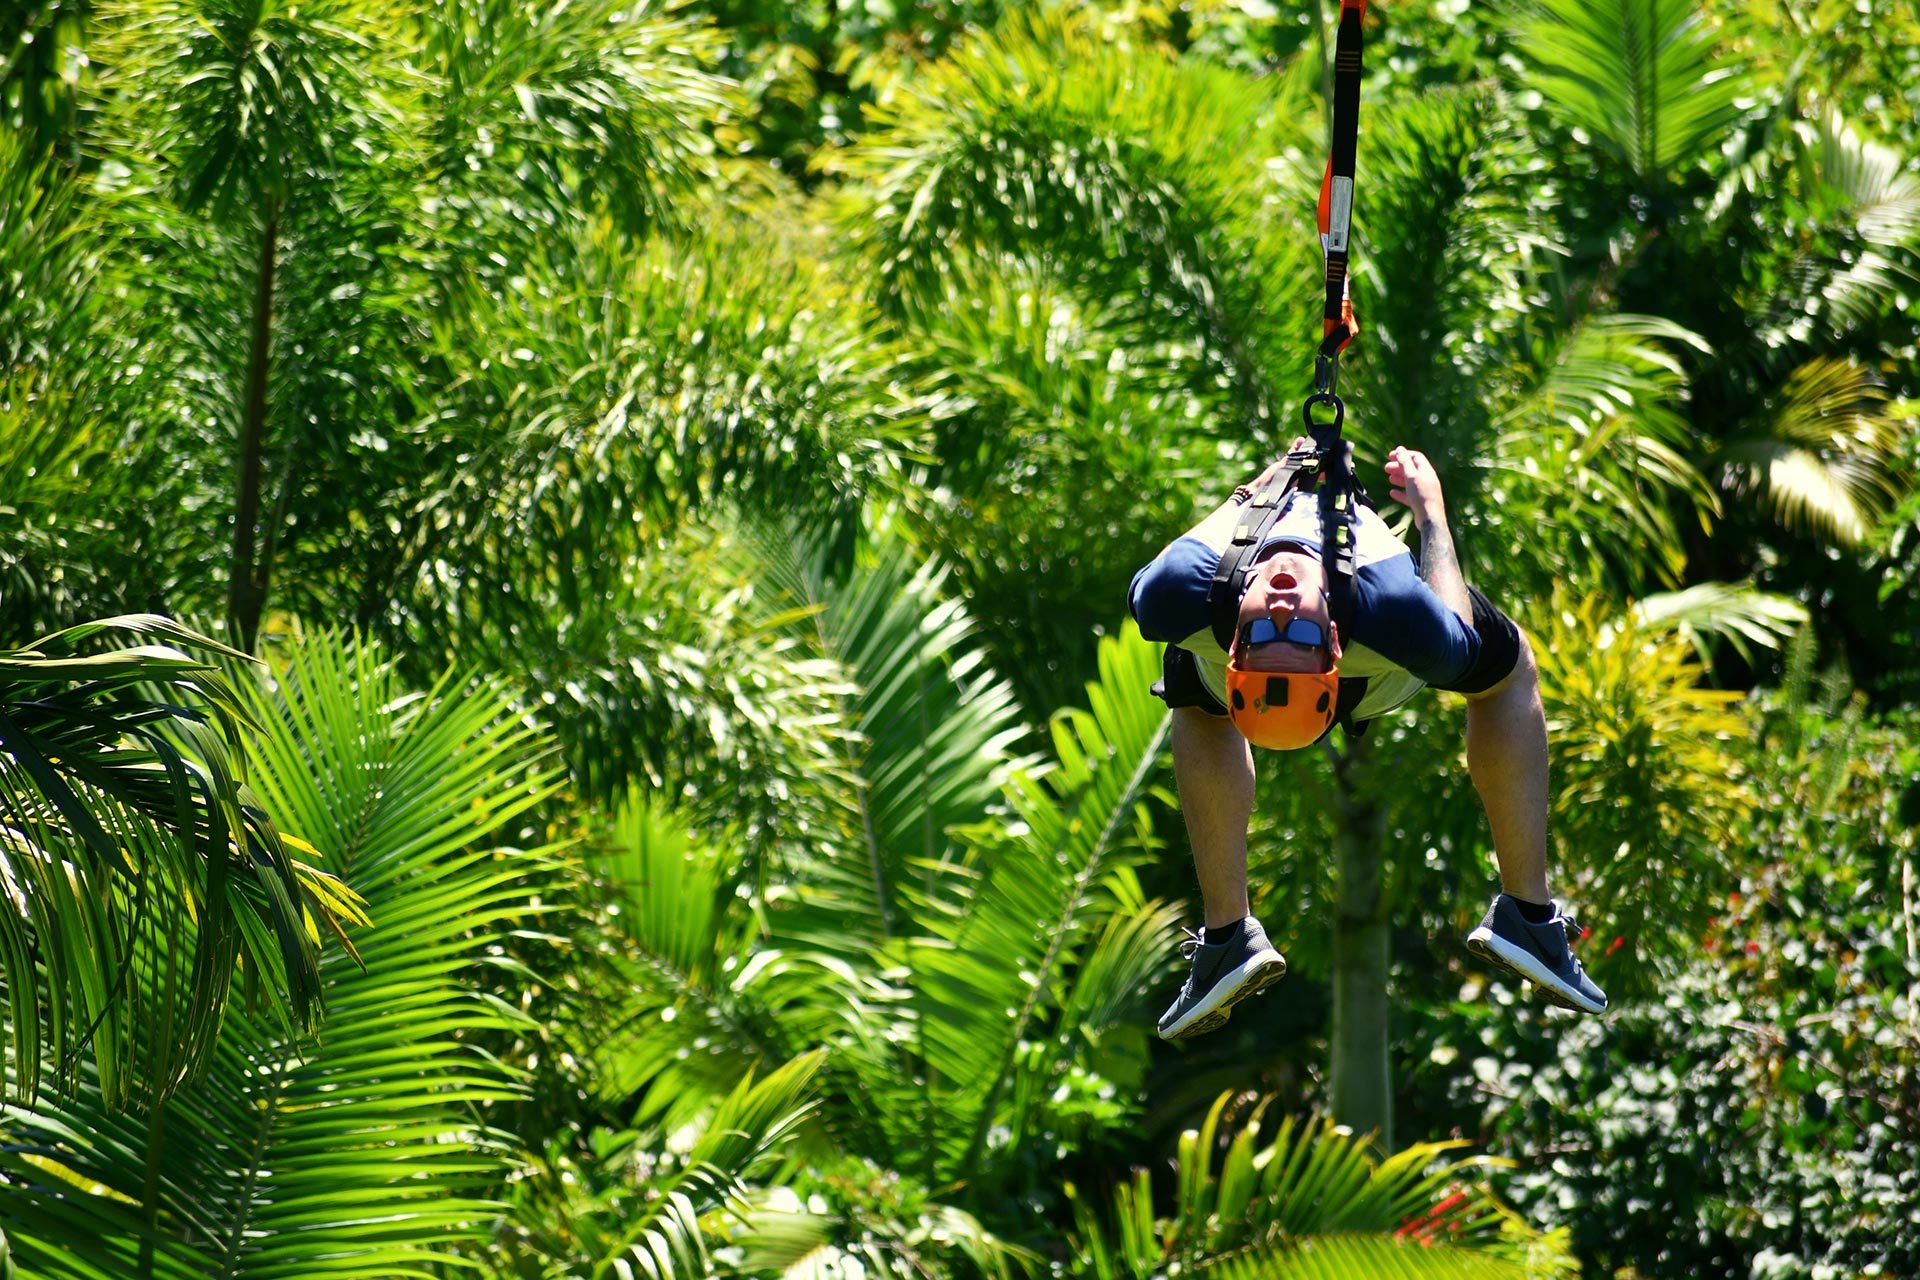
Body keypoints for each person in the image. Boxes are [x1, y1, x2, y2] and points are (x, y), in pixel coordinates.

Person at [1127, 438, 1607, 1040]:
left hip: (1311, 670)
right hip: (1377, 665)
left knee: (1191, 690)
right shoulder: (1401, 617)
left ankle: (1227, 937)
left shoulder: (1178, 593)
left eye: (1269, 625)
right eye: (1293, 627)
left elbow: (1216, 530)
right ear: (1325, 635)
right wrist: (1431, 511)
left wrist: (1276, 475)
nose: (1278, 602)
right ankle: (1530, 916)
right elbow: (1455, 624)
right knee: (1507, 673)